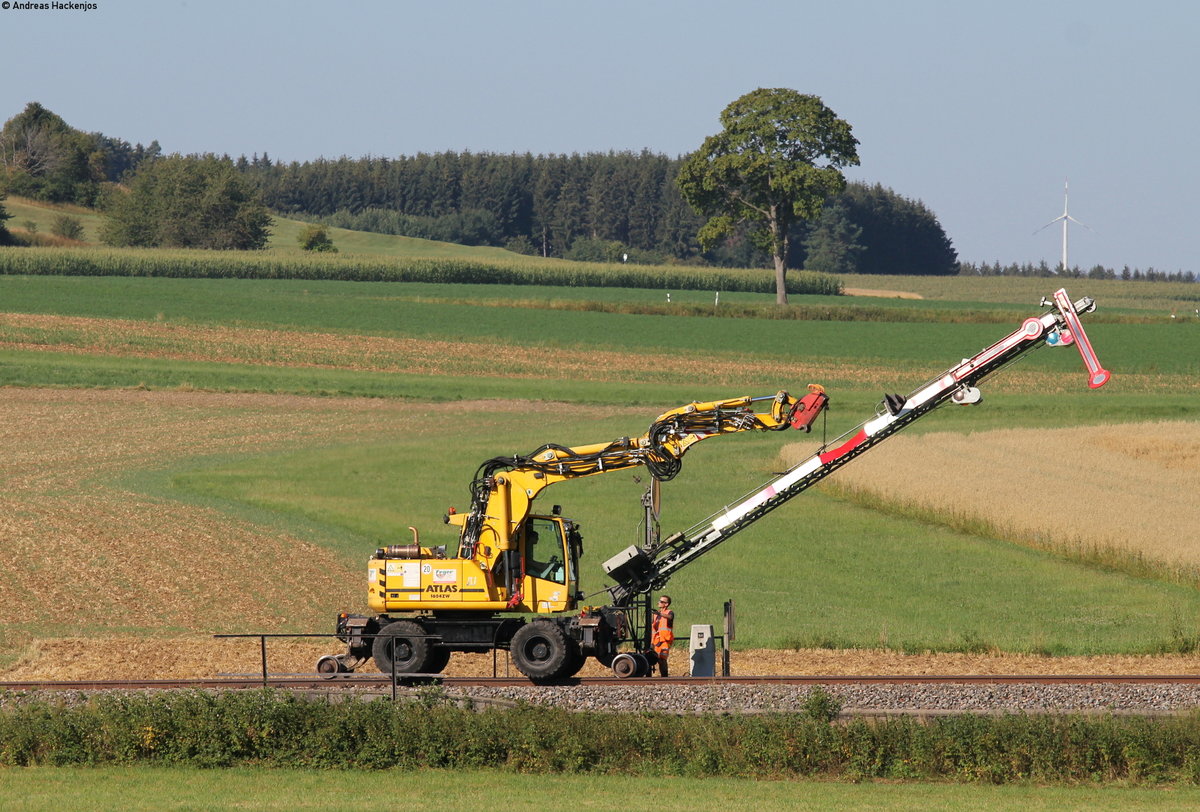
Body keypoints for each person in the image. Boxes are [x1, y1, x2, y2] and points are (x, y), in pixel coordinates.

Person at [651, 595, 675, 677]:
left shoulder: (669, 612)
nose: (659, 602)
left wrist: (660, 614)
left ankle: (664, 677)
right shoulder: (655, 615)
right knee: (653, 658)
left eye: (661, 602)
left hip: (665, 640)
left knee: (662, 659)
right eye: (659, 601)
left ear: (666, 604)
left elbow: (670, 617)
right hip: (656, 641)